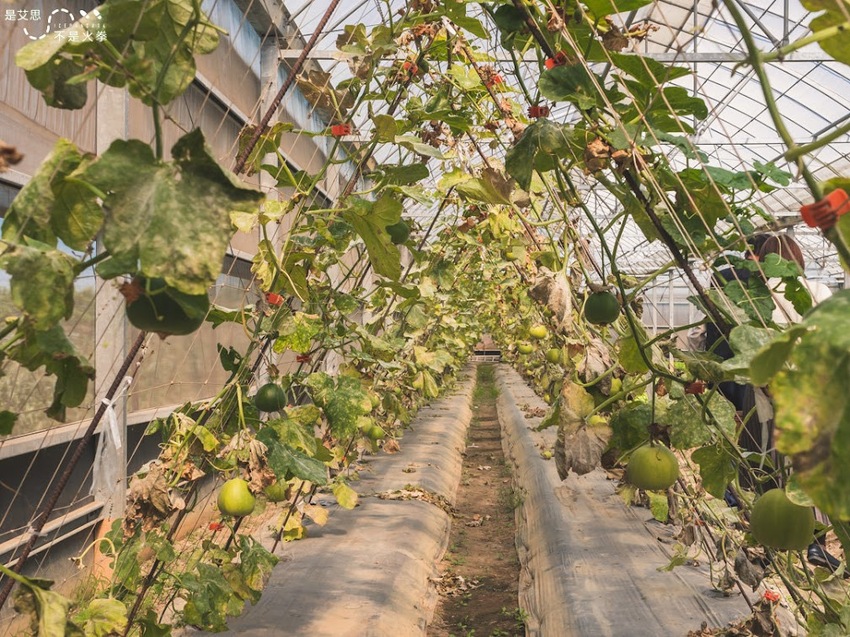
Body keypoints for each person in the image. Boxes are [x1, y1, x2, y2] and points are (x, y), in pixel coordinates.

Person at [751, 234, 840, 571]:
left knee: (777, 464)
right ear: (799, 259)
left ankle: (775, 545)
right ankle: (815, 542)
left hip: (773, 389)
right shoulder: (817, 291)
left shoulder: (758, 296)